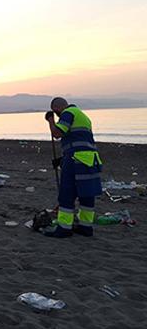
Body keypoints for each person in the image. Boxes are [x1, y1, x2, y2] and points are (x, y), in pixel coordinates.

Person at [45, 97, 103, 238]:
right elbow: (79, 140)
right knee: (87, 194)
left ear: (57, 109)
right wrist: (62, 159)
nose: (58, 116)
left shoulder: (68, 113)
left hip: (76, 160)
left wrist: (50, 120)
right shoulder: (83, 116)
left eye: (55, 112)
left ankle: (64, 228)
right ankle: (85, 227)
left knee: (67, 193)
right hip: (90, 159)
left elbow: (57, 133)